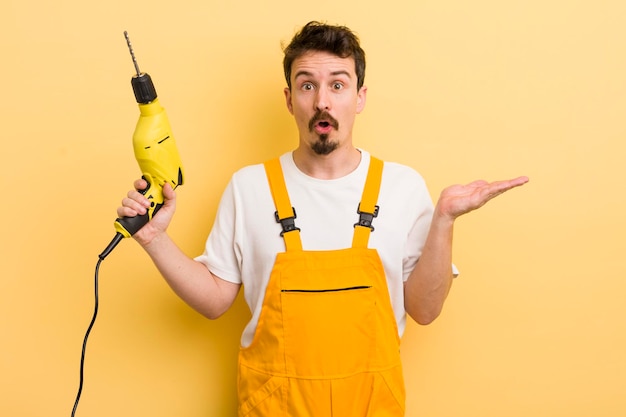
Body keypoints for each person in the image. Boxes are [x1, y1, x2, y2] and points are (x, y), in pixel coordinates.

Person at [118, 21, 528, 417]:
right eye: (307, 85)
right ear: (289, 98)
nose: (322, 101)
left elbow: (424, 309)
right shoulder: (249, 188)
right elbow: (213, 301)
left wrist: (444, 221)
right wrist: (155, 238)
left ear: (360, 96)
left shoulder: (402, 187)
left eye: (337, 84)